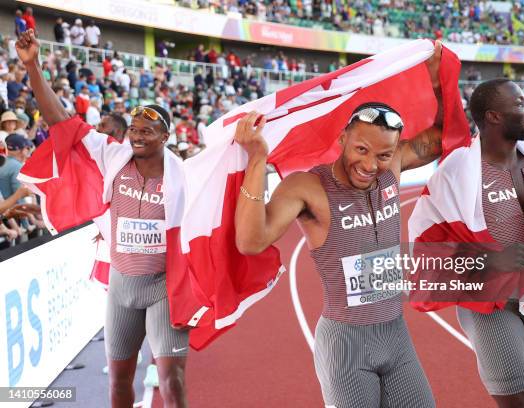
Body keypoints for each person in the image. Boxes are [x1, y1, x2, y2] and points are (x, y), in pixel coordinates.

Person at [233, 43, 445, 408]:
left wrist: (437, 78)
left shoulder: (391, 169)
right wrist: (257, 160)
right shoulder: (307, 187)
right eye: (361, 149)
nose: (371, 164)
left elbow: (440, 136)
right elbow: (251, 241)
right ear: (343, 139)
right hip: (346, 345)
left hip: (396, 334)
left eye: (382, 154)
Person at [15, 29, 190, 408]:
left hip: (163, 287)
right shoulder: (113, 156)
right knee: (119, 382)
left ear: (165, 137)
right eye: (133, 130)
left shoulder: (183, 177)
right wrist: (33, 67)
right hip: (122, 289)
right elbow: (62, 121)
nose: (137, 136)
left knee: (172, 380)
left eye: (147, 131)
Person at [408, 78, 524, 408]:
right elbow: (426, 246)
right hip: (488, 303)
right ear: (493, 116)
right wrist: (492, 259)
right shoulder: (457, 172)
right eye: (518, 104)